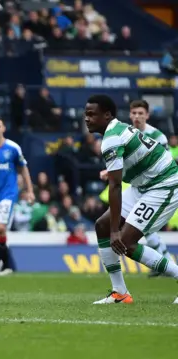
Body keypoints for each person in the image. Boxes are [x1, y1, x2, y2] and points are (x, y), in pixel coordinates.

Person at [85, 95, 178, 304]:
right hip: (144, 184)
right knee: (102, 225)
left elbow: (116, 186)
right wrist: (112, 228)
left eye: (92, 114)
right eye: (85, 114)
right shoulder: (116, 129)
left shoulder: (111, 139)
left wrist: (116, 230)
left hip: (164, 184)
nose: (87, 119)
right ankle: (120, 292)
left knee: (124, 242)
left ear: (107, 115)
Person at [98, 99, 174, 277]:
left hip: (157, 187)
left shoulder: (158, 137)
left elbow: (160, 164)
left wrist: (113, 174)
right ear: (129, 114)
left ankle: (164, 264)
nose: (137, 117)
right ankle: (121, 290)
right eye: (134, 113)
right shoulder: (125, 132)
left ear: (147, 115)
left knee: (136, 235)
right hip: (136, 186)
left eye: (141, 113)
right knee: (104, 224)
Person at [0, 117, 35, 276]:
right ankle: (7, 265)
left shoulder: (12, 148)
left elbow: (23, 169)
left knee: (0, 228)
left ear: (3, 128)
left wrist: (30, 190)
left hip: (8, 194)